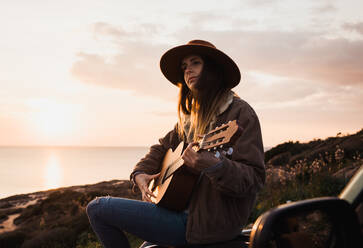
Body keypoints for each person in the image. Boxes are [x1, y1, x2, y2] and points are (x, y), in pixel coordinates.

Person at [86, 40, 266, 248]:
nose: (187, 69)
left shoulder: (240, 113)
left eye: (195, 63)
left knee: (98, 208)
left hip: (206, 225)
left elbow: (255, 179)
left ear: (213, 69)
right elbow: (162, 148)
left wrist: (216, 166)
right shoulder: (191, 119)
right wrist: (140, 173)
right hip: (176, 211)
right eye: (184, 66)